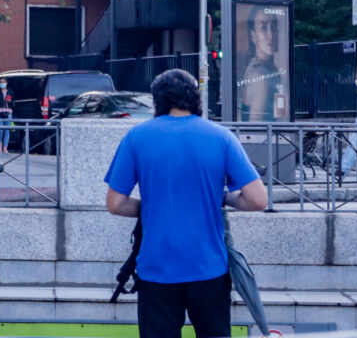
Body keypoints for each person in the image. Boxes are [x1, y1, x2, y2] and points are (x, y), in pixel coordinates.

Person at [105, 69, 269, 338]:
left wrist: (151, 208)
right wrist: (224, 197)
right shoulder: (221, 137)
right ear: (196, 99)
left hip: (155, 269)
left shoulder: (136, 138)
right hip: (209, 268)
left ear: (157, 101)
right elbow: (258, 199)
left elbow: (115, 203)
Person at [239, 12, 284, 121]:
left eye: (273, 27)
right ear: (253, 36)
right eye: (263, 28)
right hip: (264, 136)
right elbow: (256, 121)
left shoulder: (269, 69)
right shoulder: (259, 75)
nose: (271, 35)